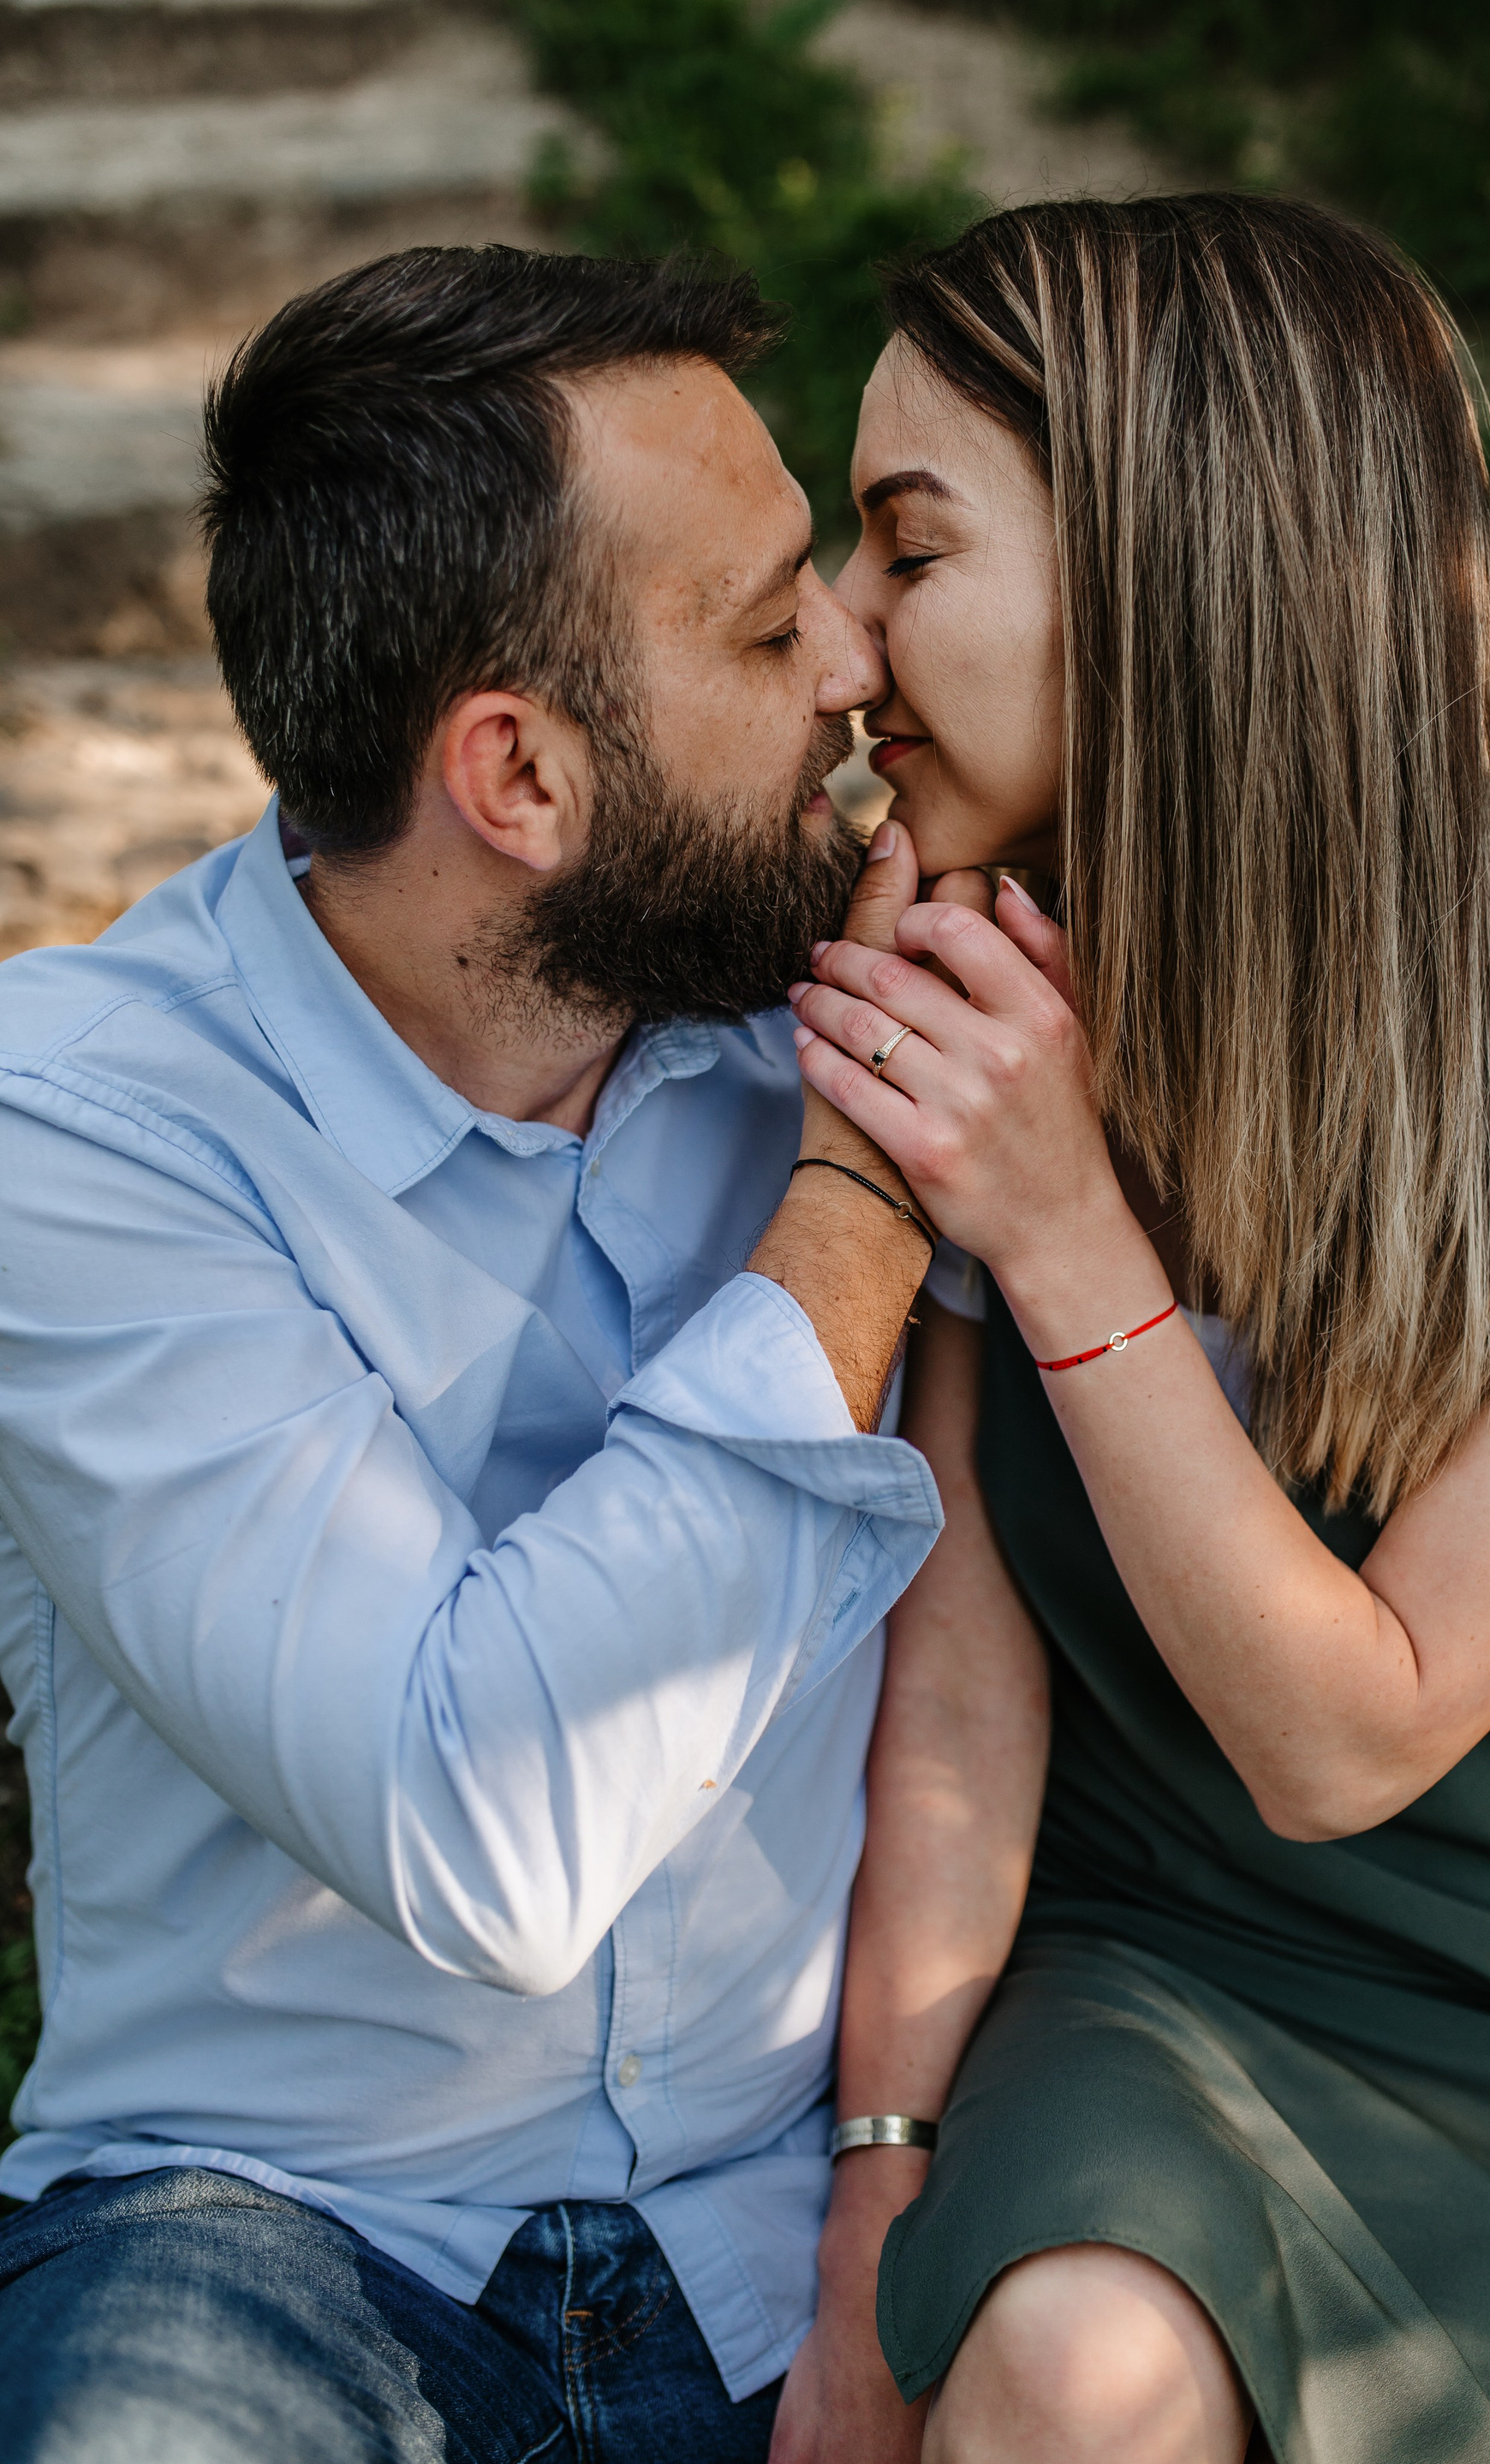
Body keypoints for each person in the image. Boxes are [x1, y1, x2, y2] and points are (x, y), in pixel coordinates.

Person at [0, 244, 951, 2462]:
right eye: (765, 629)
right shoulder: (87, 1135)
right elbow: (490, 1833)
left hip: (805, 2203)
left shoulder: (838, 980)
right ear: (517, 776)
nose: (854, 666)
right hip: (282, 2221)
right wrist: (860, 1204)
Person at [777, 196, 1490, 2464]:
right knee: (1074, 2371)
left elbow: (1352, 1743)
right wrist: (878, 2192)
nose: (841, 641)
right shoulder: (1002, 1002)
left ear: (1177, 573)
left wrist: (1072, 1234)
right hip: (1146, 1969)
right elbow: (964, 1678)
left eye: (911, 547)